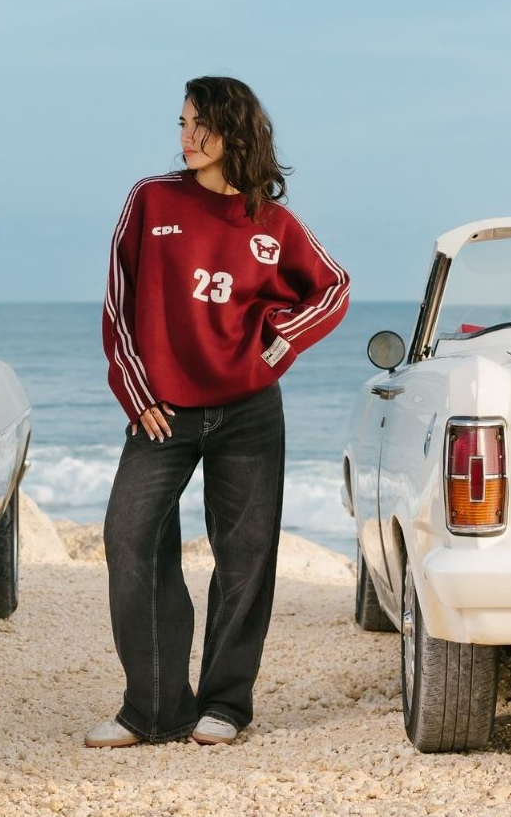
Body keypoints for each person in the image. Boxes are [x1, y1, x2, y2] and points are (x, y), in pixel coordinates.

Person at [87, 76, 350, 748]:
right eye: (181, 123)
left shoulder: (274, 224)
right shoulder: (152, 199)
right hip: (162, 411)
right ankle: (153, 709)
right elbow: (118, 300)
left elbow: (332, 287)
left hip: (248, 413)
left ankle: (226, 704)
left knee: (244, 558)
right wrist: (136, 391)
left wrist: (275, 345)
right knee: (130, 537)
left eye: (198, 124)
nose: (185, 137)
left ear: (235, 130)